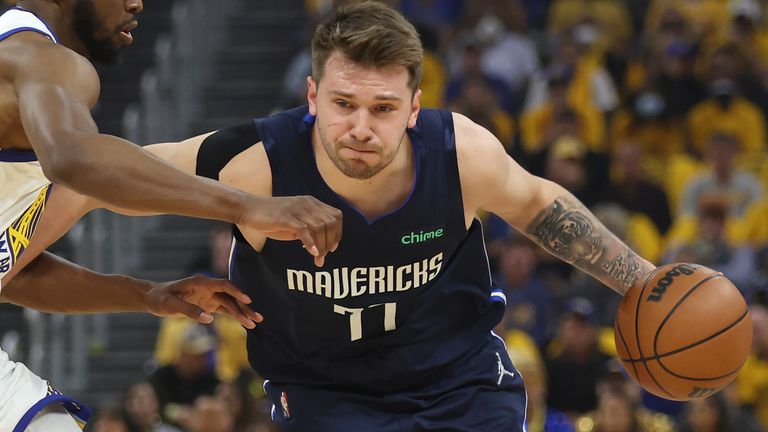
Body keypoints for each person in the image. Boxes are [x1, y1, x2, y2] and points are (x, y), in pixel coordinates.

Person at [16, 3, 658, 431]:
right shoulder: (258, 163)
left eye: (382, 109)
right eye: (344, 103)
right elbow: (99, 178)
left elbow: (542, 206)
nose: (360, 127)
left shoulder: (461, 153)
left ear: (413, 108)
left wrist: (646, 282)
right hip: (324, 394)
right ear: (312, 96)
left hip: (459, 382)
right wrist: (10, 255)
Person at [0, 0, 342, 431]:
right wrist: (247, 205)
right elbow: (75, 158)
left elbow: (12, 273)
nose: (137, 2)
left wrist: (145, 295)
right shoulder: (42, 59)